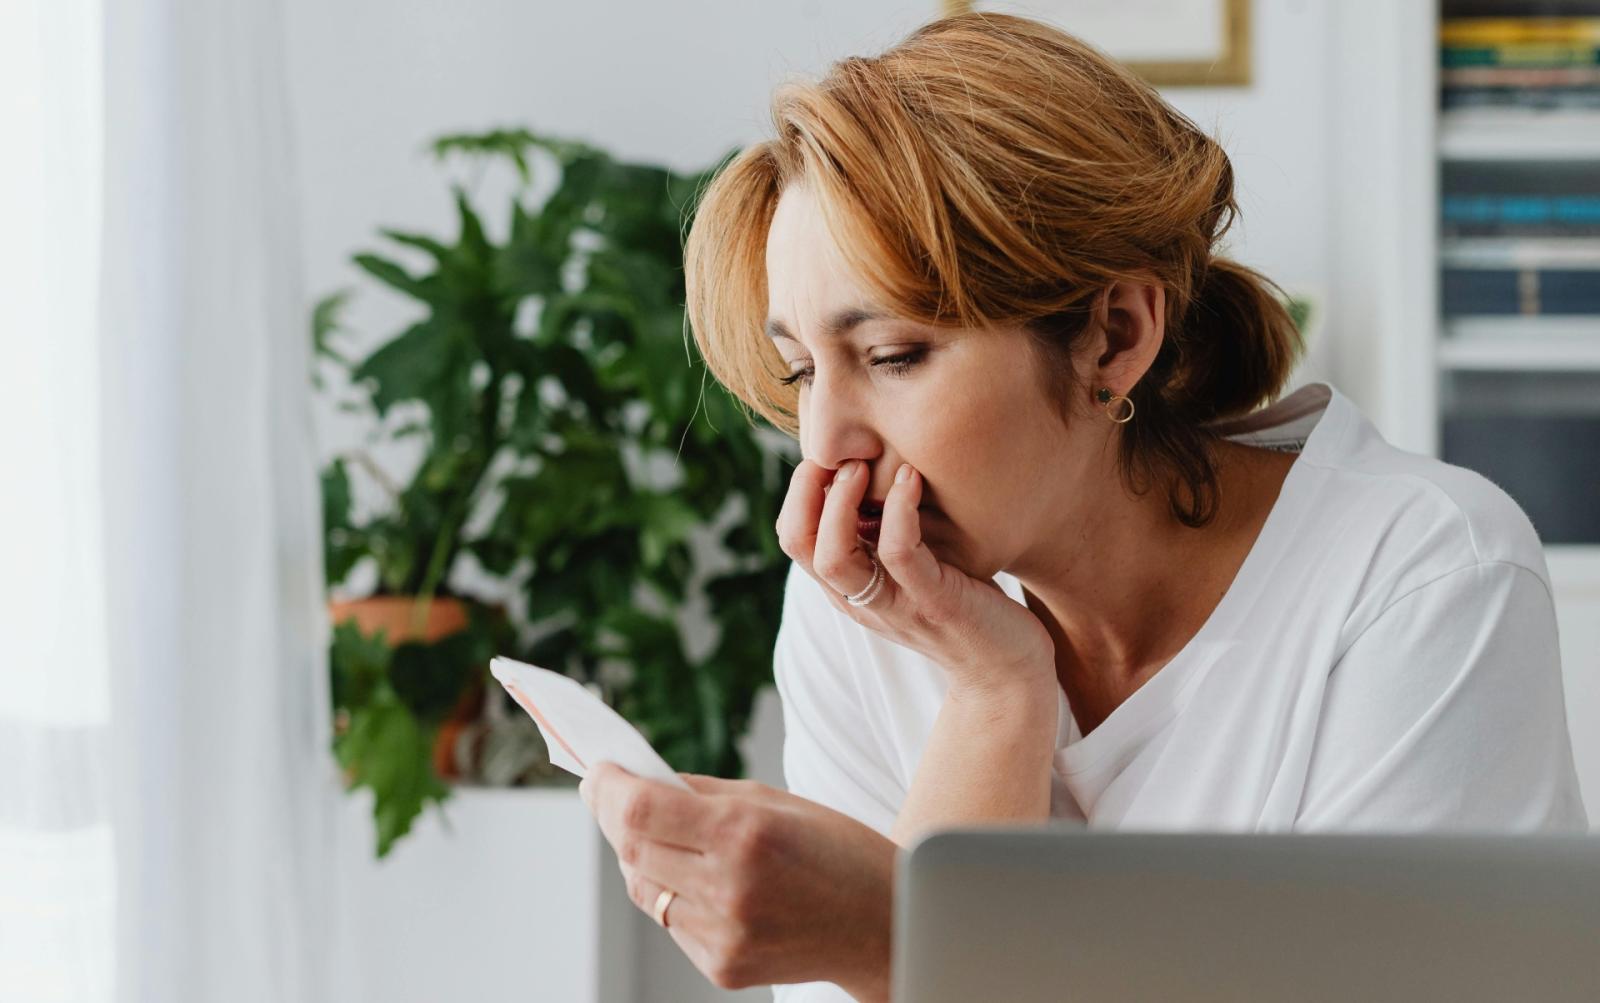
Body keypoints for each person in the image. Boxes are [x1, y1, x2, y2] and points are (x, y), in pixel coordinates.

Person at [575, 11, 1589, 1002]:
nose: (828, 446)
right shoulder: (858, 614)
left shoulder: (1421, 577)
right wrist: (993, 691)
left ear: (1113, 335)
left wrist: (897, 940)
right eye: (801, 374)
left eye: (892, 356)